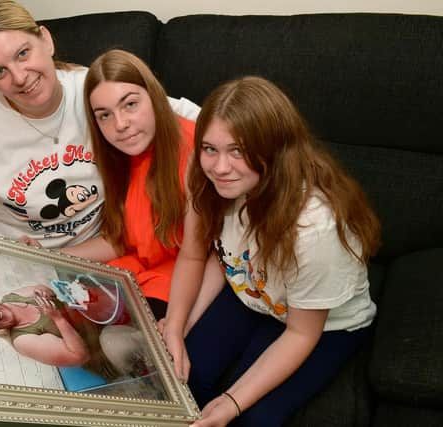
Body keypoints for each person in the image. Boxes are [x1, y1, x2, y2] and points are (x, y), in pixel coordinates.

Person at [162, 76, 381, 426]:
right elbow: (203, 255)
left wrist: (232, 402)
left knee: (253, 416)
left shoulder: (314, 228)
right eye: (210, 148)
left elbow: (300, 333)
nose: (219, 167)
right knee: (180, 379)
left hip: (323, 326)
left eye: (238, 150)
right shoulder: (206, 177)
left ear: (275, 149)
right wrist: (177, 324)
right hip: (251, 290)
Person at [0, 0, 198, 249]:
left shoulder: (93, 91)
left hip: (90, 252)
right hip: (11, 253)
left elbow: (174, 112)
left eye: (22, 54)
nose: (19, 77)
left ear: (46, 40)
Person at [60, 49, 204, 320]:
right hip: (135, 272)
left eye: (130, 104)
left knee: (114, 341)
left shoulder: (197, 152)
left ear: (155, 97)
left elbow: (200, 257)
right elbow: (120, 241)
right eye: (105, 115)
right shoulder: (121, 156)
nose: (121, 124)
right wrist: (52, 257)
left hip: (184, 282)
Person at [0, 284, 146, 380]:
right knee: (125, 340)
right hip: (103, 351)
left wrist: (46, 292)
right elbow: (79, 355)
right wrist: (57, 318)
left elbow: (46, 289)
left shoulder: (11, 297)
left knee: (129, 296)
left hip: (100, 319)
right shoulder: (22, 340)